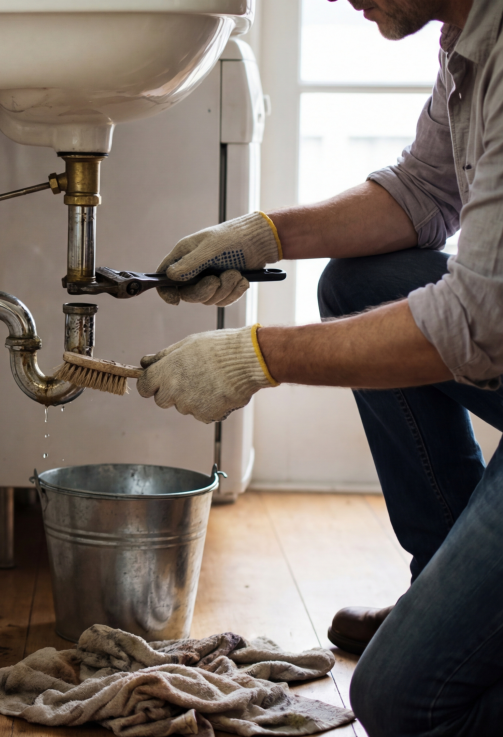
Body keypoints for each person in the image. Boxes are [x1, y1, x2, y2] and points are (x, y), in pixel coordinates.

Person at [138, 0, 503, 733]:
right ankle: (443, 583)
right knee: (357, 282)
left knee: (400, 700)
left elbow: (480, 320)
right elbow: (424, 191)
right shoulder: (469, 36)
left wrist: (256, 356)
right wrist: (263, 235)